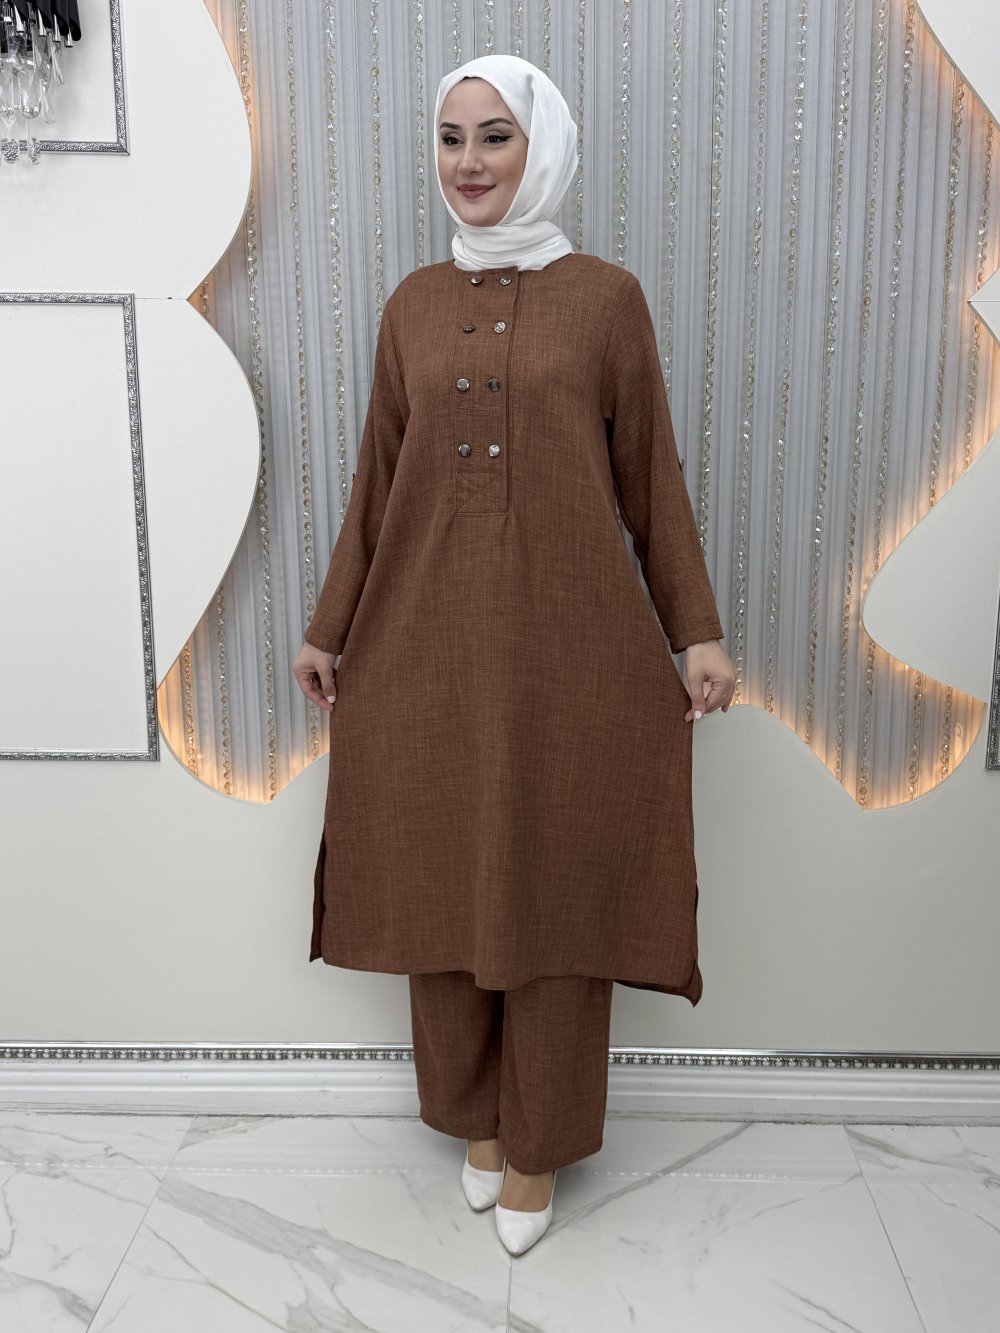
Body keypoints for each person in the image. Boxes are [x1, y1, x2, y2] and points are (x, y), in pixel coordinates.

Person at [292, 53, 735, 1256]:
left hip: (571, 650)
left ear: (542, 148)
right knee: (440, 877)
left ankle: (537, 1140)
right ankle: (473, 1119)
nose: (469, 161)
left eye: (495, 135)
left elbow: (649, 476)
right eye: (450, 138)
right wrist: (330, 627)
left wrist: (694, 631)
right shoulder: (411, 308)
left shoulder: (605, 300)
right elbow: (377, 485)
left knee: (553, 890)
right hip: (423, 641)